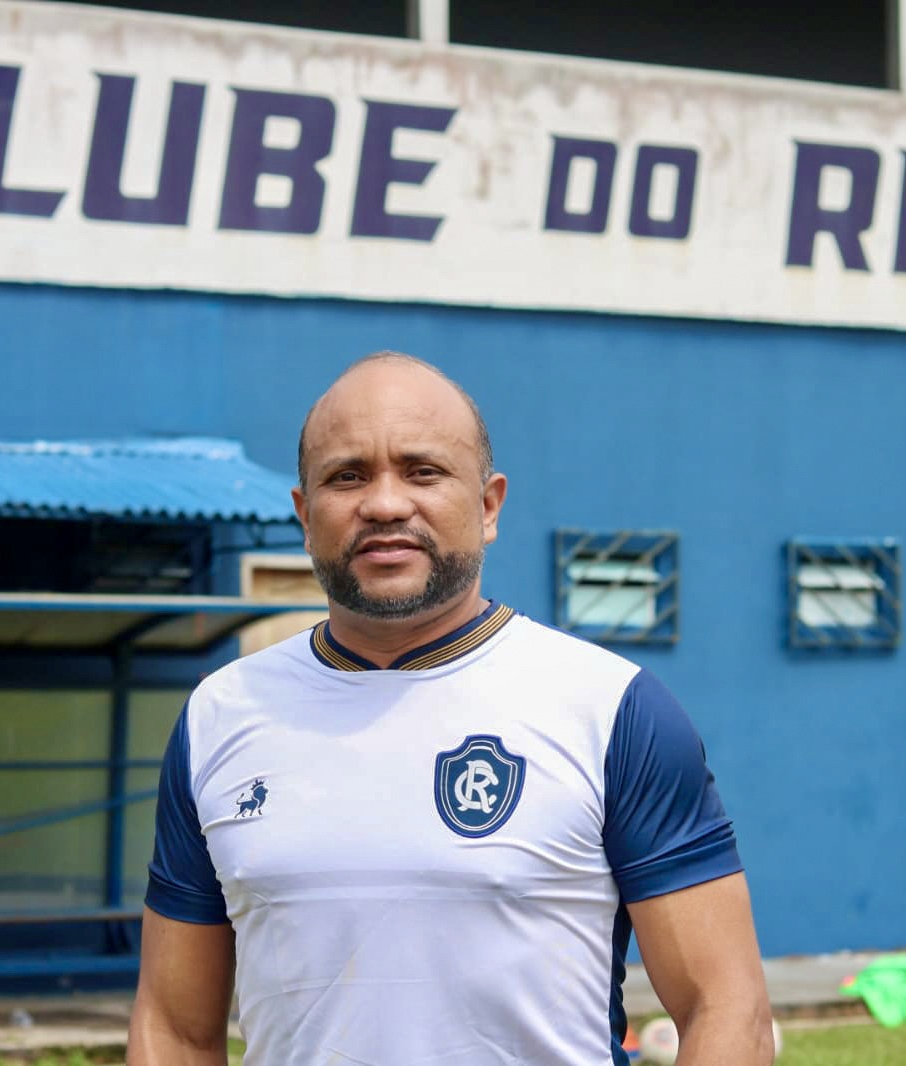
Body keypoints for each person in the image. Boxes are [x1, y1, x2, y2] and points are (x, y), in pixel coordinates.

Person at [128, 352, 773, 1065]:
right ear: (305, 516)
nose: (383, 504)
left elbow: (725, 1007)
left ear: (489, 504)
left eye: (422, 471)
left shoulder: (611, 708)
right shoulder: (220, 715)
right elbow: (174, 1027)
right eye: (347, 476)